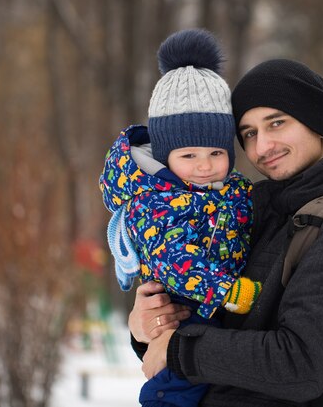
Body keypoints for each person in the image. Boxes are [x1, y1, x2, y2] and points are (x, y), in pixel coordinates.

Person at [128, 56, 323, 406]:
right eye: (249, 133)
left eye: (276, 123)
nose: (262, 147)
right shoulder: (261, 207)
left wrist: (178, 349)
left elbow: (300, 365)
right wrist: (152, 326)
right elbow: (216, 329)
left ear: (316, 121)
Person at [99, 29, 259, 407]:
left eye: (216, 153)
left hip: (213, 314)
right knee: (178, 387)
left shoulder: (234, 190)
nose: (204, 166)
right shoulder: (155, 202)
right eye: (189, 156)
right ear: (165, 157)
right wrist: (228, 292)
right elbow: (174, 259)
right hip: (183, 308)